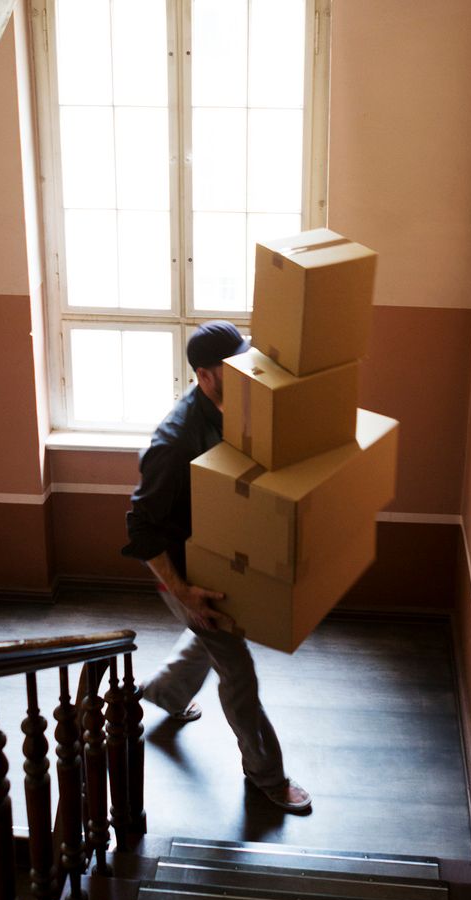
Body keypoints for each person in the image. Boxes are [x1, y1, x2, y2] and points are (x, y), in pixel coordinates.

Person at [122, 321, 311, 813]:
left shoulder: (231, 403)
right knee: (238, 672)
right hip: (182, 570)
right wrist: (182, 591)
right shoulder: (174, 443)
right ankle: (267, 777)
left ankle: (164, 692)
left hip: (215, 554)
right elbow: (140, 530)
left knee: (211, 634)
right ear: (205, 377)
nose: (248, 370)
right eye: (235, 366)